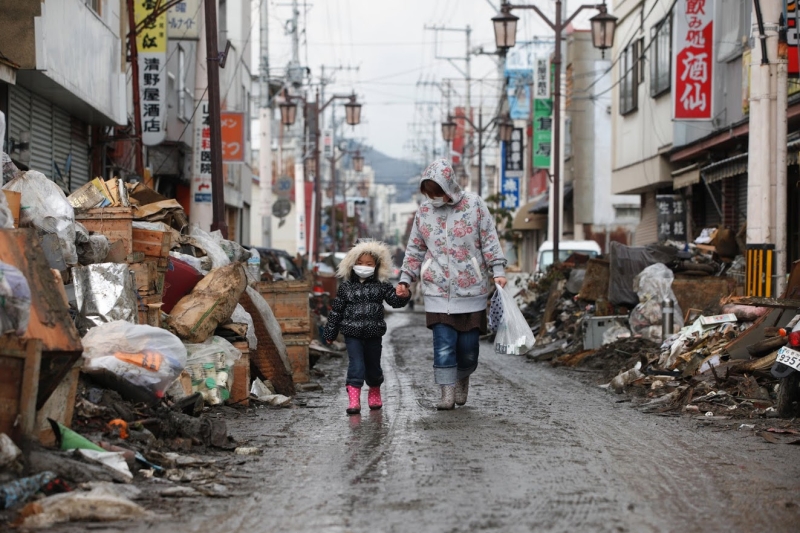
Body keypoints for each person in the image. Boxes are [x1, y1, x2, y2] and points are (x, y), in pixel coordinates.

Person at [396, 159, 507, 410]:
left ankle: (462, 377)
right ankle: (446, 393)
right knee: (444, 345)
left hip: (472, 290)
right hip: (436, 290)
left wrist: (497, 270)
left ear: (449, 185)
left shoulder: (475, 204)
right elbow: (414, 249)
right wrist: (406, 279)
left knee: (468, 350)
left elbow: (489, 238)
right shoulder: (424, 212)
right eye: (429, 193)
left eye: (437, 191)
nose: (433, 197)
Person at [324, 240, 410, 415]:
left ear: (376, 266)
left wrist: (403, 295)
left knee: (373, 366)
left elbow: (394, 301)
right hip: (351, 333)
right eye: (360, 263)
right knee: (356, 365)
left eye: (369, 264)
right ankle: (354, 400)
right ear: (352, 263)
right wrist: (330, 332)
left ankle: (375, 391)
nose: (364, 266)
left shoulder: (382, 285)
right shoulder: (346, 287)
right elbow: (337, 311)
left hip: (373, 333)